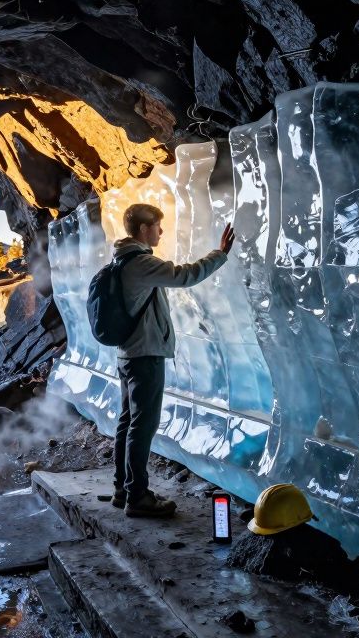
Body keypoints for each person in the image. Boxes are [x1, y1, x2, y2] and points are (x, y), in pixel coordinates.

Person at [111, 203, 234, 517]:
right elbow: (186, 275)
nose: (161, 232)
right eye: (157, 226)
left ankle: (122, 489)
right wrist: (219, 254)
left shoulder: (120, 260)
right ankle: (137, 497)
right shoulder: (141, 262)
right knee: (142, 425)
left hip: (128, 353)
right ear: (143, 228)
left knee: (128, 423)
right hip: (145, 355)